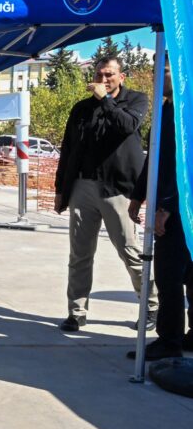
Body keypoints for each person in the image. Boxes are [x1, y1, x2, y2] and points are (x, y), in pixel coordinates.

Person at [54, 56, 157, 332]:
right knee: (80, 254)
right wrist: (61, 189)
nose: (103, 79)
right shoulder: (81, 109)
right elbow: (68, 149)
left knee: (130, 251)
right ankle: (77, 312)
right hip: (82, 186)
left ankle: (151, 307)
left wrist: (105, 101)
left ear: (121, 77)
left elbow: (126, 127)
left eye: (109, 74)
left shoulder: (136, 100)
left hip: (117, 189)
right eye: (99, 74)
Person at [126, 57, 191, 361]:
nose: (156, 75)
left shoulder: (185, 109)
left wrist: (166, 206)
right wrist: (139, 196)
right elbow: (155, 159)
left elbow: (184, 165)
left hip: (180, 207)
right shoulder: (166, 108)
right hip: (171, 204)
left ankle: (170, 340)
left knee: (169, 276)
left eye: (162, 70)